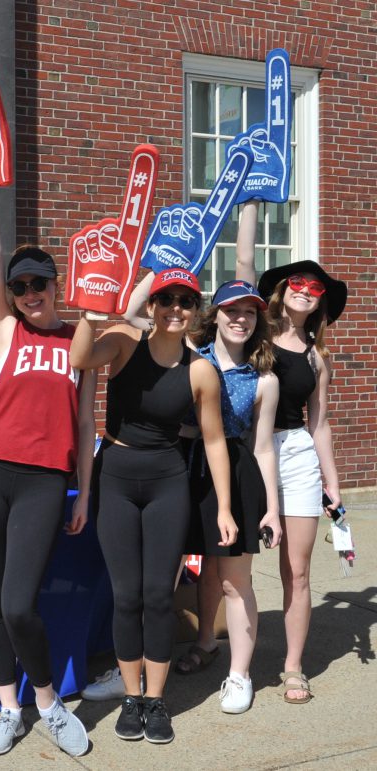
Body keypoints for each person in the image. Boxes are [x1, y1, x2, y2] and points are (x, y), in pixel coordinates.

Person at [0, 190, 96, 757]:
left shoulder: (78, 341)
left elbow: (86, 423)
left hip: (43, 479)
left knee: (19, 602)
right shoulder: (5, 332)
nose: (30, 294)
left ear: (55, 285)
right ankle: (8, 708)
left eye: (39, 284)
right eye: (21, 287)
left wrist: (83, 490)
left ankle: (47, 702)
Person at [71, 267, 234, 745]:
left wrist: (224, 507)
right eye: (167, 300)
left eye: (186, 301)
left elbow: (214, 441)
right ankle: (130, 696)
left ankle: (156, 700)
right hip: (117, 476)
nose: (175, 309)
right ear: (152, 306)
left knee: (159, 595)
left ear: (195, 309)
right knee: (127, 596)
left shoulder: (200, 369)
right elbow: (81, 356)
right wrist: (88, 316)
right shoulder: (123, 340)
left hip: (168, 481)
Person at [237, 201, 348, 704]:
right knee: (232, 562)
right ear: (282, 292)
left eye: (315, 287)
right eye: (297, 283)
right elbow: (242, 270)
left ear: (321, 303)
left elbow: (320, 425)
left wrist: (334, 484)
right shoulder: (253, 334)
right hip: (247, 453)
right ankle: (207, 642)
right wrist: (250, 206)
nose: (305, 290)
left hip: (297, 453)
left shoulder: (317, 359)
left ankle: (293, 667)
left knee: (297, 570)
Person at [172, 273, 282, 717]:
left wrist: (272, 508)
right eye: (232, 310)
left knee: (235, 580)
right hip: (181, 471)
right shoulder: (186, 359)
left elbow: (262, 447)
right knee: (184, 571)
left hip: (235, 477)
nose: (240, 318)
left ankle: (240, 673)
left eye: (250, 312)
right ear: (214, 315)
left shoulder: (264, 380)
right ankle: (203, 643)